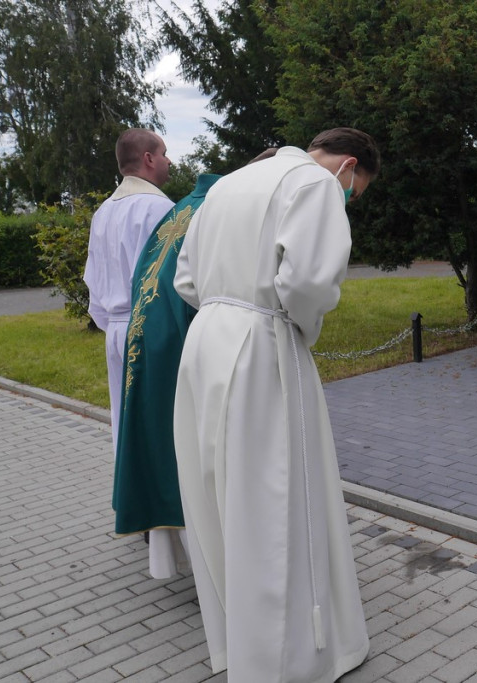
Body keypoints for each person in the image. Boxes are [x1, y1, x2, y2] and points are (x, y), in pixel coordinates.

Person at [172, 128, 380, 680]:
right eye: (355, 192)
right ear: (348, 166)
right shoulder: (312, 183)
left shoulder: (227, 185)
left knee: (222, 492)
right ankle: (291, 658)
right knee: (277, 494)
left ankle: (241, 645)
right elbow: (309, 282)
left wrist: (227, 302)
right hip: (262, 343)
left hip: (206, 342)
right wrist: (297, 328)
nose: (349, 201)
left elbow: (185, 279)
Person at [113, 149, 279, 581]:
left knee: (164, 440)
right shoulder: (222, 208)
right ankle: (218, 566)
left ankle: (180, 556)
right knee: (197, 448)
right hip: (183, 337)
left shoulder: (187, 205)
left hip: (147, 334)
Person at [84, 128, 174, 457]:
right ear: (148, 159)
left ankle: (132, 497)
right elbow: (168, 279)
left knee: (125, 421)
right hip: (151, 330)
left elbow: (93, 278)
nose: (168, 161)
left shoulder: (103, 212)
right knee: (158, 423)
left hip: (116, 331)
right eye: (164, 153)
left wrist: (114, 324)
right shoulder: (158, 210)